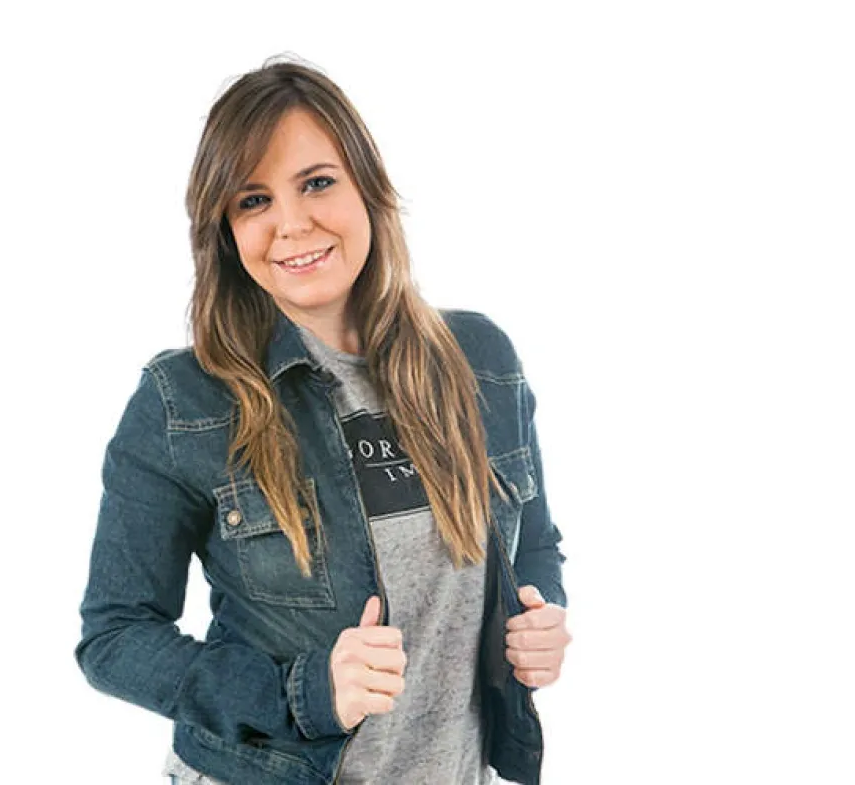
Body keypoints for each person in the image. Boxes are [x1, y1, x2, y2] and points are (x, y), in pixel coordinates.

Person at [75, 57, 571, 785]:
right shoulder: (185, 403)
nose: (292, 224)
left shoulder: (481, 361)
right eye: (253, 200)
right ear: (226, 231)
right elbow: (114, 637)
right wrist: (300, 694)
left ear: (367, 185)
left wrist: (539, 617)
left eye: (316, 183)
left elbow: (535, 544)